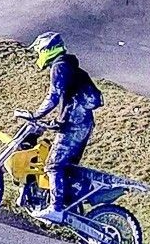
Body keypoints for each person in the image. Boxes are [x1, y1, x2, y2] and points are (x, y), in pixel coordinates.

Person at [15, 32, 103, 223]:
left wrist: (35, 115)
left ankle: (56, 208)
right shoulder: (69, 66)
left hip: (74, 125)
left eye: (40, 50)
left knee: (53, 165)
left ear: (48, 49)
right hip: (83, 123)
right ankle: (66, 205)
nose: (38, 54)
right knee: (66, 167)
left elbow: (54, 96)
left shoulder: (60, 66)